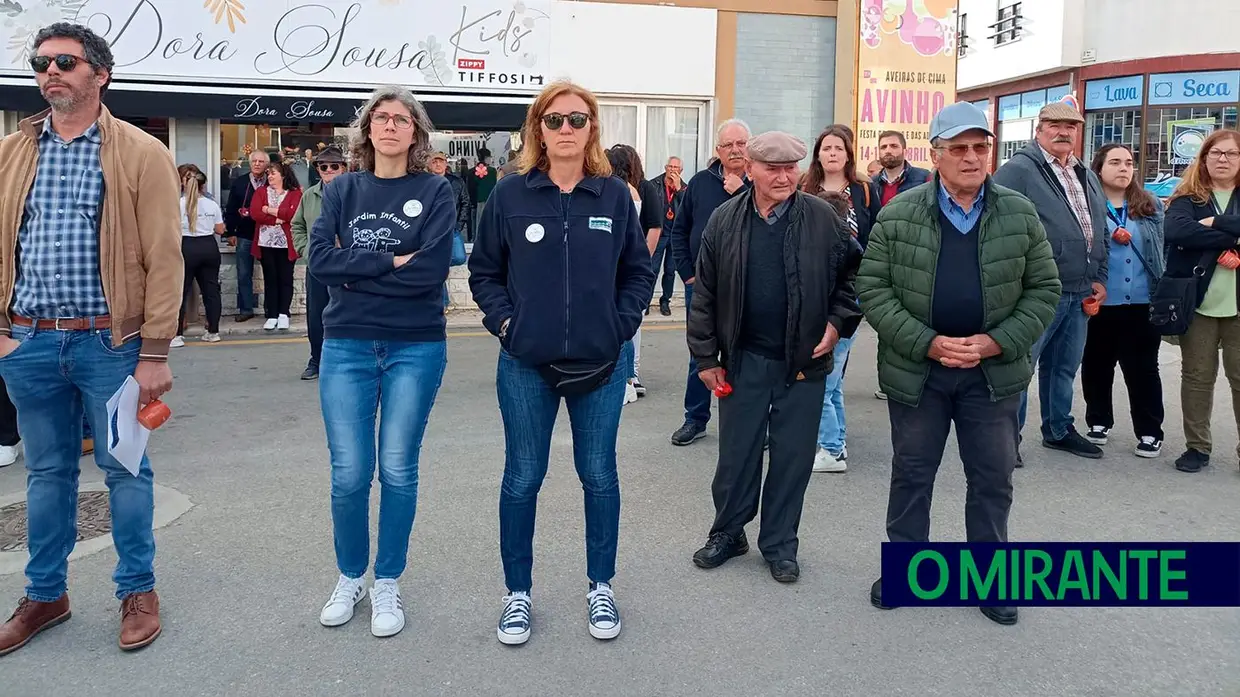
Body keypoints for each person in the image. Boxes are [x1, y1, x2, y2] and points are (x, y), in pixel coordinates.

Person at [0, 22, 181, 655]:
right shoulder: (13, 152)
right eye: (41, 62)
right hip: (29, 342)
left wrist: (155, 351)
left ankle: (137, 589)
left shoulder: (139, 151)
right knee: (46, 473)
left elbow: (165, 256)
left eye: (66, 62)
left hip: (111, 344)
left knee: (125, 470)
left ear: (99, 74)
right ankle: (46, 593)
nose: (51, 71)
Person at [857, 102, 1060, 626]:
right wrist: (926, 342)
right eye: (959, 148)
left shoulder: (1018, 211)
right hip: (920, 372)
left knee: (992, 478)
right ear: (936, 155)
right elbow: (873, 290)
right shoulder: (899, 213)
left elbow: (1044, 290)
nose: (972, 158)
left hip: (992, 376)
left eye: (980, 147)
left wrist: (995, 342)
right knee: (912, 474)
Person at [468, 80, 654, 646]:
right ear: (537, 128)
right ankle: (516, 594)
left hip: (601, 363)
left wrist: (619, 327)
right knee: (523, 477)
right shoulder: (510, 195)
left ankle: (601, 586)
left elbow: (638, 273)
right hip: (526, 364)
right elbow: (484, 273)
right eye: (554, 121)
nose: (566, 130)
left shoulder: (614, 196)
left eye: (577, 120)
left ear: (592, 128)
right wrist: (507, 325)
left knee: (598, 476)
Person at [308, 85, 454, 638]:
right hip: (346, 344)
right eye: (380, 118)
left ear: (415, 132)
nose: (390, 126)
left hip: (415, 344)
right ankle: (351, 576)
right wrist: (395, 259)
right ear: (367, 130)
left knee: (396, 468)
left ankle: (387, 579)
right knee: (349, 474)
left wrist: (360, 269)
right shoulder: (342, 189)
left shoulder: (436, 190)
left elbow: (431, 271)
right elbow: (320, 261)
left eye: (401, 119)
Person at [688, 131, 862, 584]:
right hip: (743, 359)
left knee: (792, 457)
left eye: (790, 168)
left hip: (803, 362)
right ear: (751, 169)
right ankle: (728, 533)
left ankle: (780, 544)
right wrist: (706, 357)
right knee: (736, 455)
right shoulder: (725, 220)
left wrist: (837, 322)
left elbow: (854, 279)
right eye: (773, 168)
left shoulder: (824, 219)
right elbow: (704, 293)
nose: (783, 176)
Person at [993, 101, 1110, 461]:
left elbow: (1099, 227)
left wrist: (1099, 275)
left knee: (1063, 367)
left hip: (1081, 289)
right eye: (1055, 125)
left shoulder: (1084, 173)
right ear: (1039, 129)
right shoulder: (1018, 170)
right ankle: (1005, 440)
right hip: (1039, 292)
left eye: (1071, 126)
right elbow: (999, 230)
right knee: (1020, 369)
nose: (1064, 131)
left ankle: (1058, 429)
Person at [800, 124, 882, 473]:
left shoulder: (864, 189)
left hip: (849, 288)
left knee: (825, 374)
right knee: (829, 376)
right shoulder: (805, 187)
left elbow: (877, 234)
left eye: (838, 148)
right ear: (817, 153)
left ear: (848, 153)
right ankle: (834, 442)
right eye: (826, 148)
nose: (832, 153)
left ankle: (831, 448)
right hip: (813, 286)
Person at [668, 119, 752, 446]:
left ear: (750, 145)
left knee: (745, 354)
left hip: (748, 287)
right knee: (700, 355)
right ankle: (695, 418)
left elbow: (773, 224)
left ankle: (746, 422)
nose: (735, 150)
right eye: (728, 145)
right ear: (718, 150)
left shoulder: (759, 182)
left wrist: (742, 192)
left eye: (740, 143)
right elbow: (678, 231)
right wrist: (688, 275)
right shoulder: (700, 184)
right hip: (702, 287)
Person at [1162, 129, 1240, 473]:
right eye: (1216, 153)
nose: (1223, 159)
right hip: (1199, 303)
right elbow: (1178, 231)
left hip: (1238, 306)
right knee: (1197, 377)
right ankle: (1197, 447)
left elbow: (1197, 233)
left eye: (1232, 154)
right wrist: (1232, 234)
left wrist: (1216, 222)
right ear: (1204, 158)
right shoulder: (1187, 198)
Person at [1080, 144, 1166, 458]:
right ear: (1099, 168)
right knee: (1097, 363)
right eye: (1115, 162)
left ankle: (1149, 430)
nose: (1123, 168)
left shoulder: (1151, 205)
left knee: (1143, 368)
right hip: (1101, 301)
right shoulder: (1089, 205)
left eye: (1129, 162)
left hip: (1143, 301)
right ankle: (1098, 420)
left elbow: (1163, 248)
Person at [607, 144, 663, 401]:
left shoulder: (634, 190)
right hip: (631, 266)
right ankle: (630, 374)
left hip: (622, 267)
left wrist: (641, 260)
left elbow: (654, 226)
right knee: (631, 321)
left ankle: (630, 374)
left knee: (626, 321)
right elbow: (654, 228)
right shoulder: (636, 189)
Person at [291, 145, 348, 381]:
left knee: (348, 313)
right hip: (319, 264)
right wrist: (307, 250)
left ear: (344, 168)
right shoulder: (309, 195)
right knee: (317, 315)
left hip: (348, 264)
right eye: (323, 166)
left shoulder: (356, 192)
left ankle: (346, 361)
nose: (329, 170)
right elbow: (297, 226)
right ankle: (317, 359)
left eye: (334, 166)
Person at [172, 165, 224, 348]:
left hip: (186, 246)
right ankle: (213, 332)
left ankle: (176, 335)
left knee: (180, 291)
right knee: (211, 291)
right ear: (203, 185)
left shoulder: (177, 204)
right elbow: (220, 229)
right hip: (208, 246)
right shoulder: (212, 204)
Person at [249, 159, 303, 332]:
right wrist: (277, 218)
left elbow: (292, 214)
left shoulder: (295, 193)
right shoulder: (261, 192)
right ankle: (272, 315)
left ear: (283, 175)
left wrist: (269, 210)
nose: (269, 176)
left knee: (286, 278)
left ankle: (283, 314)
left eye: (273, 173)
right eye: (268, 173)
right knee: (270, 279)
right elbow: (256, 213)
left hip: (287, 244)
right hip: (266, 243)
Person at [224, 149, 269, 322]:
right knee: (243, 274)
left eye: (261, 161)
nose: (257, 164)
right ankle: (246, 309)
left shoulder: (272, 182)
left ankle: (270, 310)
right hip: (244, 234)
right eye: (254, 161)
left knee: (270, 273)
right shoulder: (240, 182)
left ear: (266, 164)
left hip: (267, 235)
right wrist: (230, 232)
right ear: (250, 163)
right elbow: (231, 208)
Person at [649, 157, 686, 316]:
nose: (672, 170)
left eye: (676, 167)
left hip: (675, 235)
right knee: (652, 269)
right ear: (665, 167)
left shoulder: (684, 188)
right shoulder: (654, 184)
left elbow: (688, 209)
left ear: (681, 171)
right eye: (670, 166)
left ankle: (665, 301)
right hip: (659, 233)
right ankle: (646, 301)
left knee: (670, 270)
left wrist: (678, 189)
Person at [871, 131, 932, 207]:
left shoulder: (924, 178)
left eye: (894, 146)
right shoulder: (872, 183)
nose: (888, 151)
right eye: (883, 147)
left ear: (905, 151)